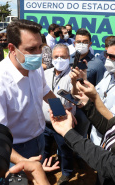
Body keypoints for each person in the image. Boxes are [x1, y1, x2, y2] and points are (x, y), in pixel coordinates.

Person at [0, 19, 57, 164]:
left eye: (40, 47)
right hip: (14, 151)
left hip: (40, 138)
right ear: (12, 49)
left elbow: (45, 91)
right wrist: (24, 163)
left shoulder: (35, 67)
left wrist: (60, 110)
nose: (39, 54)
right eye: (32, 49)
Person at [72, 36, 115, 146]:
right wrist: (83, 80)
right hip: (95, 137)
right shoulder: (109, 73)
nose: (108, 59)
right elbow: (95, 95)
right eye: (106, 55)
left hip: (110, 145)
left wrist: (95, 97)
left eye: (113, 57)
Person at [42, 44, 75, 184]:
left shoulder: (73, 76)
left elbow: (76, 98)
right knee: (44, 147)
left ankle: (67, 172)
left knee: (64, 149)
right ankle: (43, 168)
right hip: (44, 122)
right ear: (52, 58)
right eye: (56, 57)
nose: (59, 59)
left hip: (62, 122)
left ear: (69, 57)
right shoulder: (45, 73)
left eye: (63, 56)